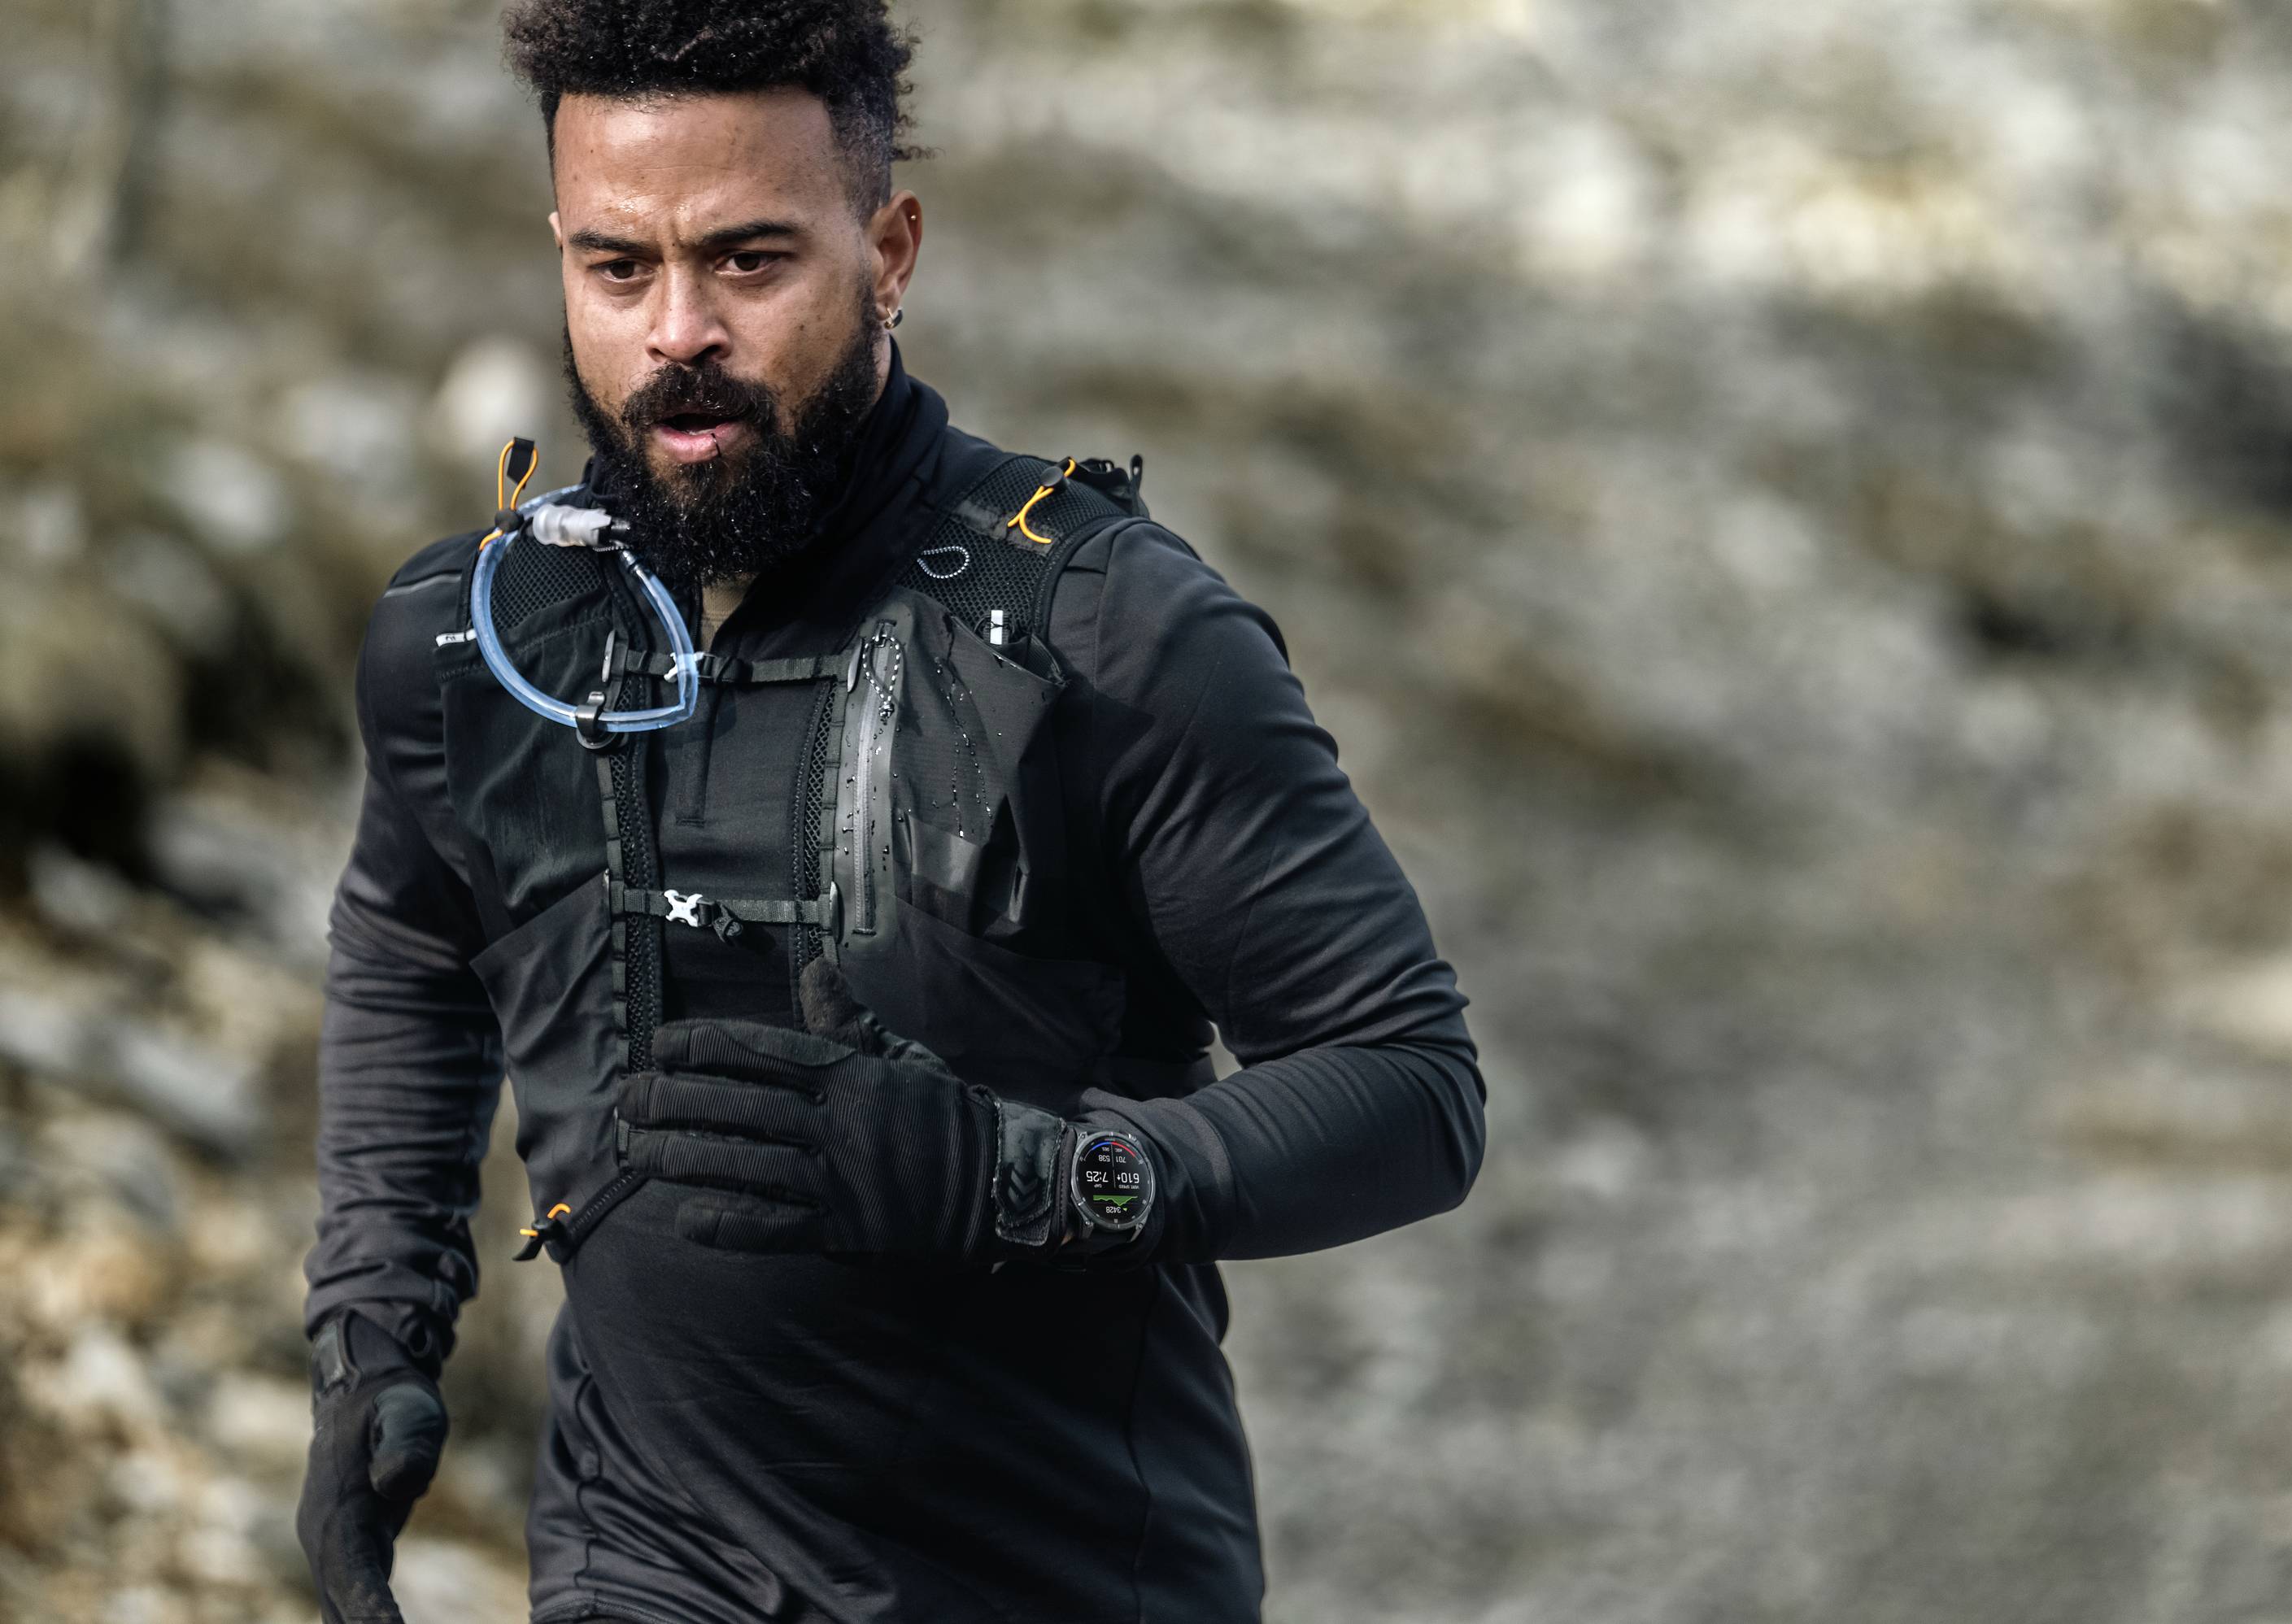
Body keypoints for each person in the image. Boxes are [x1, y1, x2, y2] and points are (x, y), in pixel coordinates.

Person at [294, 2, 1487, 1620]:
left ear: (892, 249)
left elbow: (1411, 1090)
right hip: (640, 1570)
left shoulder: (1115, 639)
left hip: (1063, 1579)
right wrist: (375, 1336)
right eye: (618, 268)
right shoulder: (481, 640)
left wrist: (1022, 1175)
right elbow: (409, 956)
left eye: (751, 261)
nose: (678, 335)